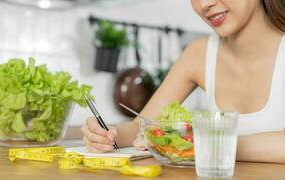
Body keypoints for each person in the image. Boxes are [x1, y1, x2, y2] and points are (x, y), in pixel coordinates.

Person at [82, 0, 285, 163]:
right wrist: (109, 134)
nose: (204, 4)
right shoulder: (198, 54)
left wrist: (207, 144)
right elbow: (141, 126)